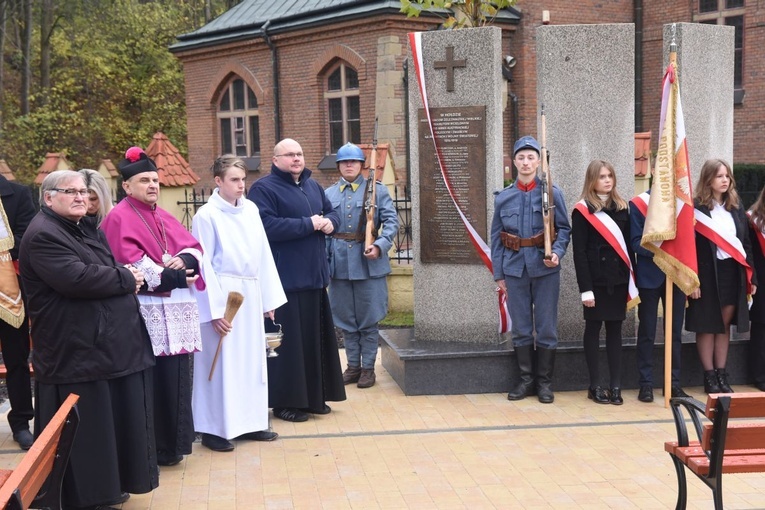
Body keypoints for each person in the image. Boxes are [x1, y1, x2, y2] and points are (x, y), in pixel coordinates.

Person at [19, 170, 157, 509]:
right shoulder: (43, 235)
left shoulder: (80, 228)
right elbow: (78, 278)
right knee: (90, 431)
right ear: (49, 198)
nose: (81, 196)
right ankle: (88, 496)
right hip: (76, 352)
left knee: (109, 424)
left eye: (84, 191)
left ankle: (110, 487)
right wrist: (127, 277)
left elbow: (99, 269)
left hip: (101, 350)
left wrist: (122, 277)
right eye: (71, 191)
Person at [100, 147, 204, 466]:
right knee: (154, 380)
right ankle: (156, 446)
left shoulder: (161, 214)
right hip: (144, 312)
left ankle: (175, 443)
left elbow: (192, 246)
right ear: (127, 186)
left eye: (155, 180)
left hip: (173, 311)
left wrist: (184, 259)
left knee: (177, 377)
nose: (153, 186)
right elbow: (130, 264)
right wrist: (173, 275)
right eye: (144, 180)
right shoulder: (119, 217)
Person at [191, 155, 287, 452]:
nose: (241, 185)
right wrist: (216, 311)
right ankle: (214, 429)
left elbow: (263, 253)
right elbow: (203, 265)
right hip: (223, 296)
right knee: (222, 365)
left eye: (243, 179)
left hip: (250, 291)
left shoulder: (251, 210)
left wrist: (267, 299)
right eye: (234, 180)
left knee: (250, 363)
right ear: (218, 181)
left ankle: (249, 422)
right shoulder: (205, 216)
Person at [248, 138, 346, 422]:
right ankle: (286, 403)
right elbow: (265, 226)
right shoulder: (264, 189)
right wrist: (310, 224)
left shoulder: (313, 186)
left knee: (314, 343)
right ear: (276, 159)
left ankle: (314, 398)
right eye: (289, 154)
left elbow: (332, 212)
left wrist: (331, 222)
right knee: (289, 347)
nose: (296, 159)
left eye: (300, 154)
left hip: (315, 278)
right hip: (285, 280)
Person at [490, 135, 571, 404]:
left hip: (545, 269)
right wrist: (499, 274)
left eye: (531, 157)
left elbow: (564, 229)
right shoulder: (504, 197)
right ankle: (525, 379)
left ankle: (544, 383)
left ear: (539, 161)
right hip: (515, 270)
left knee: (546, 327)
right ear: (513, 162)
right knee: (522, 327)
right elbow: (496, 237)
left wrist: (557, 253)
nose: (526, 162)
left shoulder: (551, 193)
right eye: (521, 157)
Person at [325, 143, 399, 389]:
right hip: (339, 266)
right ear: (338, 166)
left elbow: (391, 223)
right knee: (345, 319)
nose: (349, 165)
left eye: (354, 162)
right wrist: (325, 263)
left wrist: (379, 245)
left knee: (368, 319)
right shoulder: (329, 195)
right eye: (344, 162)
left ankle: (368, 368)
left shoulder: (377, 191)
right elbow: (325, 233)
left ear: (361, 165)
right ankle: (353, 366)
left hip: (368, 264)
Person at [686, 159, 756, 393]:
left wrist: (751, 277)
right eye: (719, 176)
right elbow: (689, 247)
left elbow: (745, 244)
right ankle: (709, 376)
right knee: (707, 324)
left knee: (724, 325)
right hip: (706, 274)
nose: (725, 180)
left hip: (731, 273)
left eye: (727, 176)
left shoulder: (735, 207)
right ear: (708, 180)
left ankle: (721, 374)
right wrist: (692, 279)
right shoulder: (696, 208)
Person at [571, 161, 636, 405]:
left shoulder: (622, 208)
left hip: (618, 280)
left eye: (610, 176)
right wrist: (585, 289)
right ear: (592, 181)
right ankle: (595, 384)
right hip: (595, 282)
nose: (607, 180)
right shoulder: (582, 211)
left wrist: (632, 282)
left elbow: (628, 248)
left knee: (616, 331)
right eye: (602, 177)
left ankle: (616, 385)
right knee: (593, 329)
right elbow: (579, 252)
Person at [630, 187, 689, 403]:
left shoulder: (683, 204)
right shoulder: (639, 203)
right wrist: (663, 252)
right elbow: (636, 242)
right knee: (646, 331)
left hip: (676, 276)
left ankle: (672, 383)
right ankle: (645, 384)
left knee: (674, 332)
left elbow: (689, 243)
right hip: (649, 276)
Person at [0, 173, 35, 450]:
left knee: (17, 360)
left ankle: (21, 421)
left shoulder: (18, 194)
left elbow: (28, 236)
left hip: (9, 291)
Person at [747, 186, 765, 392]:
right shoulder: (753, 221)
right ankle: (759, 375)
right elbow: (749, 251)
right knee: (761, 328)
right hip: (761, 280)